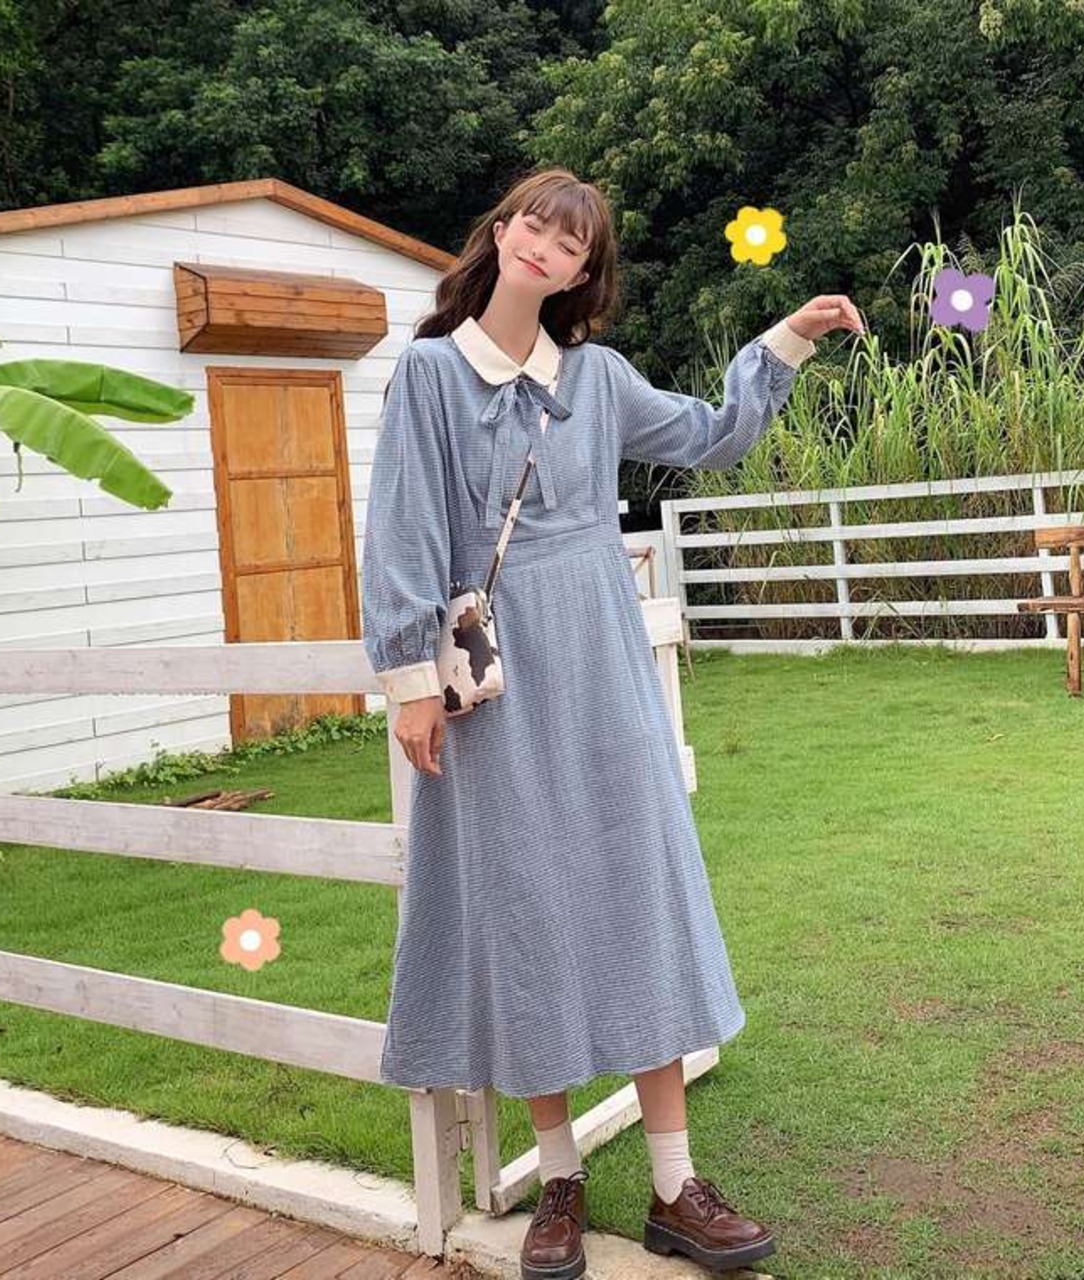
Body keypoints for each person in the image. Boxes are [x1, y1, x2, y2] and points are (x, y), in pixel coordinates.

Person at [361, 165, 864, 1279]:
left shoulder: (596, 376)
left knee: (639, 888)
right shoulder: (431, 374)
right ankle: (559, 1179)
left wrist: (784, 339)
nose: (543, 245)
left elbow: (710, 434)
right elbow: (401, 526)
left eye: (570, 242)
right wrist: (407, 681)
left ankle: (677, 1185)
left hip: (602, 660)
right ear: (501, 232)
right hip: (496, 678)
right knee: (523, 905)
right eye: (533, 224)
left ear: (581, 273)